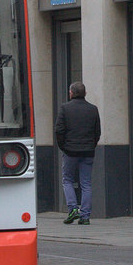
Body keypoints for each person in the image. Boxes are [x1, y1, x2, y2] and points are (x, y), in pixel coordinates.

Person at [55, 82, 101, 225]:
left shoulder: (65, 108)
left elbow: (59, 130)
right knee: (86, 183)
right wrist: (91, 145)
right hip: (88, 151)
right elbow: (97, 132)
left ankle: (73, 209)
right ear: (85, 93)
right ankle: (85, 216)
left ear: (71, 93)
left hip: (70, 151)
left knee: (67, 180)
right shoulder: (93, 109)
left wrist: (63, 147)